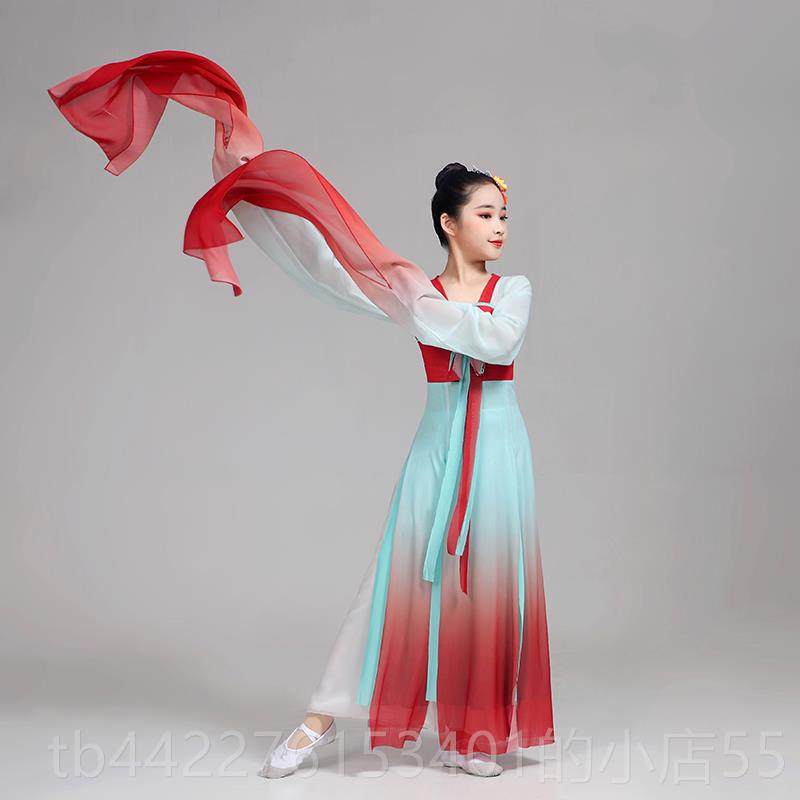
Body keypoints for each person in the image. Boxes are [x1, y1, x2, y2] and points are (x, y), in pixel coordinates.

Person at [47, 49, 555, 779]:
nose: (499, 226)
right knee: (397, 584)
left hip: (500, 447)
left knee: (487, 587)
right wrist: (265, 197)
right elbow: (332, 265)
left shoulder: (508, 291)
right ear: (449, 223)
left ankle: (467, 733)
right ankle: (319, 717)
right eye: (484, 215)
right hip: (439, 443)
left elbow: (498, 341)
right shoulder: (410, 290)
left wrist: (422, 305)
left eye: (503, 216)